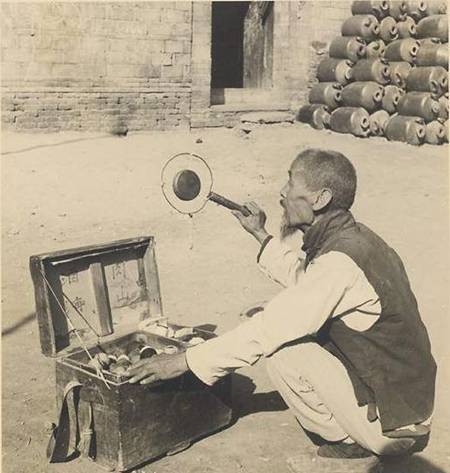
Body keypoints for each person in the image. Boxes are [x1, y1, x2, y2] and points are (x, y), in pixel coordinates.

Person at [127, 148, 437, 459]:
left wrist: (183, 361)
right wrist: (260, 234)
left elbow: (270, 328)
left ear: (320, 198)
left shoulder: (340, 262)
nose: (282, 192)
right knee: (284, 323)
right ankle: (363, 429)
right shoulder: (356, 240)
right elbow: (307, 279)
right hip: (409, 405)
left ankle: (352, 438)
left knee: (281, 349)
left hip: (395, 426)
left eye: (291, 182)